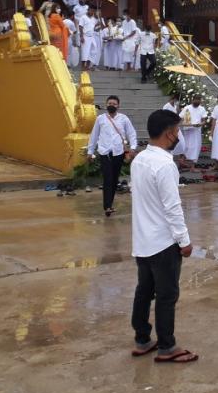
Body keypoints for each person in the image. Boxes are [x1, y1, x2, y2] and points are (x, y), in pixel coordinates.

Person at [129, 108, 197, 364]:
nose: (178, 135)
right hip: (163, 242)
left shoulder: (139, 160)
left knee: (144, 291)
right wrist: (184, 240)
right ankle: (167, 346)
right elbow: (172, 207)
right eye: (177, 130)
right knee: (167, 295)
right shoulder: (165, 164)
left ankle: (142, 338)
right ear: (169, 134)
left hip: (143, 239)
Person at [87, 95, 137, 218]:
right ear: (106, 105)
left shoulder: (124, 119)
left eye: (114, 104)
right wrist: (90, 151)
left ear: (118, 106)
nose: (111, 105)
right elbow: (94, 135)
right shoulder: (100, 119)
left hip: (118, 153)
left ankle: (110, 203)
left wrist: (133, 147)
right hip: (105, 153)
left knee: (114, 179)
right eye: (110, 103)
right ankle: (107, 206)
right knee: (108, 179)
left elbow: (131, 133)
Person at [178, 94, 207, 169]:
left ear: (200, 101)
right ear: (192, 100)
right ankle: (182, 160)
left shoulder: (202, 109)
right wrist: (180, 124)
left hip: (196, 131)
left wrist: (200, 124)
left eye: (198, 100)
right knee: (187, 146)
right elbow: (180, 118)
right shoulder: (187, 108)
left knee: (196, 147)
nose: (197, 101)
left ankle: (192, 167)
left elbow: (204, 121)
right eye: (196, 100)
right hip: (188, 131)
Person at [162, 92, 186, 161]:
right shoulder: (166, 106)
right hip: (169, 127)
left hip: (175, 127)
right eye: (177, 100)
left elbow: (177, 116)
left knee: (182, 142)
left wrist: (178, 110)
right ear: (174, 99)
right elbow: (164, 117)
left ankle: (179, 157)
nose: (177, 102)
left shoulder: (175, 106)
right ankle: (170, 158)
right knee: (171, 142)